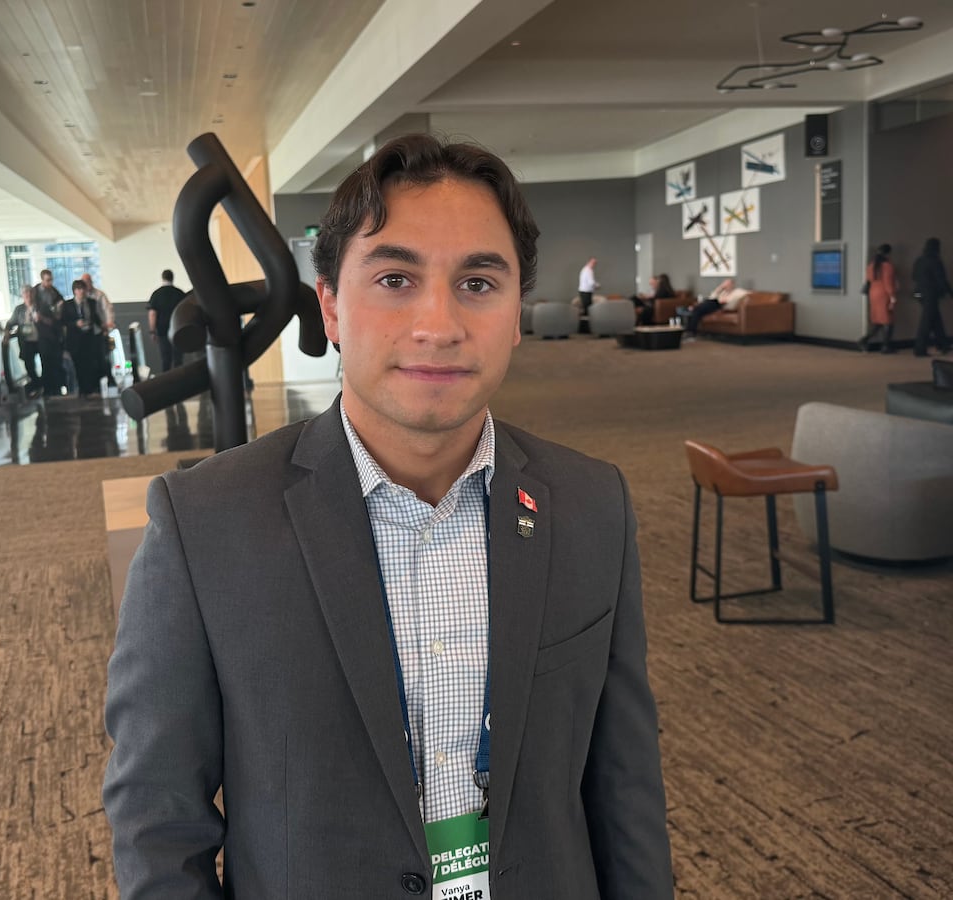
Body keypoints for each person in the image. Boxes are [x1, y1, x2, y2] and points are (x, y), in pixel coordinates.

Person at [104, 134, 673, 898]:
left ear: (515, 315)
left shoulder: (591, 505)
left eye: (478, 283)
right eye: (396, 278)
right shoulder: (205, 524)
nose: (438, 324)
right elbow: (157, 814)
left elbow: (625, 783)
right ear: (330, 308)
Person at [912, 237, 951, 357]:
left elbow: (913, 277)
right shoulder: (935, 261)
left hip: (918, 293)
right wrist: (950, 293)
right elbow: (941, 280)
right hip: (930, 294)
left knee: (934, 318)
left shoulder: (919, 260)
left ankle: (943, 344)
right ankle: (920, 349)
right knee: (927, 321)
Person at [31, 269, 66, 395]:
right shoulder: (35, 292)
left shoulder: (53, 291)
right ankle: (48, 388)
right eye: (47, 280)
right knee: (45, 360)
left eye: (51, 280)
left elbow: (60, 302)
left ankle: (56, 387)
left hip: (53, 330)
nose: (50, 283)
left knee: (55, 360)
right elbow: (34, 310)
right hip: (42, 332)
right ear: (42, 280)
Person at [858, 244, 897, 354]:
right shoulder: (887, 266)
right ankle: (885, 346)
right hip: (883, 294)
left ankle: (865, 340)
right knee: (888, 320)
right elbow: (888, 283)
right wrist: (892, 297)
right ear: (888, 253)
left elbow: (869, 280)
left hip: (873, 293)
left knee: (879, 320)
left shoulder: (871, 266)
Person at [82, 272, 118, 391]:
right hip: (88, 333)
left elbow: (107, 310)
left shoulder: (99, 295)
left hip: (100, 330)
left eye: (88, 282)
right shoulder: (82, 298)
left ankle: (110, 379)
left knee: (104, 357)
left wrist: (108, 326)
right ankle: (95, 383)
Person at [146, 268, 186, 372]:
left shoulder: (156, 294)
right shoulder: (180, 293)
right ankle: (180, 380)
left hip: (162, 330)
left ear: (162, 278)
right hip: (178, 330)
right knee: (178, 360)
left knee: (165, 360)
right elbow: (185, 312)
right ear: (172, 278)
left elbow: (152, 314)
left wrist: (152, 331)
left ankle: (167, 380)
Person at [3, 285, 41, 393]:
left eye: (30, 292)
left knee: (46, 362)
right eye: (25, 293)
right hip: (26, 341)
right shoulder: (19, 309)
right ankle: (37, 385)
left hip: (39, 339)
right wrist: (6, 333)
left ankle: (43, 385)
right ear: (22, 295)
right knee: (29, 365)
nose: (28, 295)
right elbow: (10, 323)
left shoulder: (40, 306)